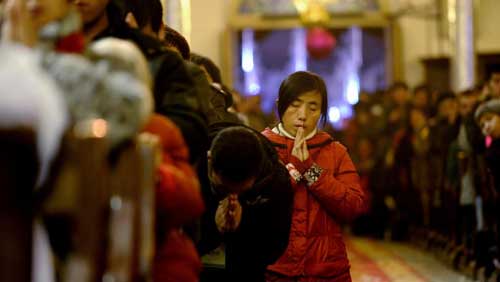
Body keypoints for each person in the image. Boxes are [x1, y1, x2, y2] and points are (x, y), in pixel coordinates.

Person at [262, 71, 365, 281]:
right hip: (273, 268)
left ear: (321, 112)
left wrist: (311, 171)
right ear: (280, 104)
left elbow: (353, 205)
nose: (302, 114)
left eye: (313, 107)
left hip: (326, 270)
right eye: (295, 104)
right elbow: (255, 205)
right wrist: (291, 173)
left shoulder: (335, 152)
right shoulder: (261, 147)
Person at [200, 125, 294, 282]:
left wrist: (241, 227)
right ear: (210, 160)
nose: (232, 196)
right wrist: (214, 228)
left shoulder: (275, 182)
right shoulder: (193, 162)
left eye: (241, 191)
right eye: (223, 188)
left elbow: (273, 248)